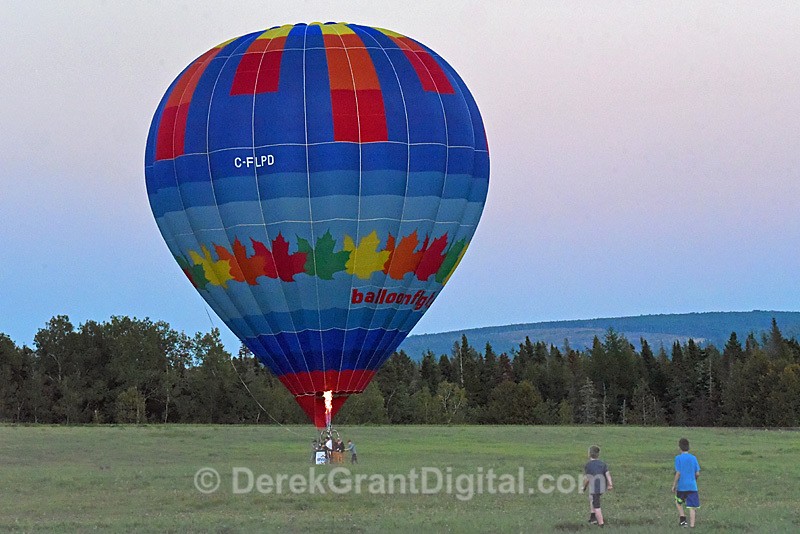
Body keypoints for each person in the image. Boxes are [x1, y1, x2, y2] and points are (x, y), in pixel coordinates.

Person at [672, 437, 701, 528]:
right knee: (692, 507)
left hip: (682, 486)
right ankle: (692, 526)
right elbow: (697, 473)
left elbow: (678, 473)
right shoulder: (693, 458)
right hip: (692, 486)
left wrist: (674, 485)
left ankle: (683, 519)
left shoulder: (678, 458)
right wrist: (694, 480)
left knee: (678, 502)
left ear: (679, 447)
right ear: (688, 447)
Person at [583, 445, 613, 527]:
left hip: (595, 488)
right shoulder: (603, 464)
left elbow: (587, 479)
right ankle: (592, 517)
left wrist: (584, 487)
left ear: (589, 454)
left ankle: (601, 524)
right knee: (591, 497)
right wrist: (610, 484)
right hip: (602, 487)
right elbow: (608, 475)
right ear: (598, 454)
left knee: (596, 506)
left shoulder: (588, 465)